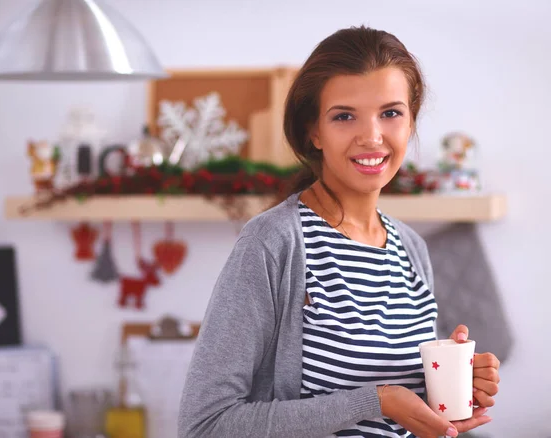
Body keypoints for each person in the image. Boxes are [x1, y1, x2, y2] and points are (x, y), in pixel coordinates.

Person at [178, 25, 500, 438]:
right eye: (344, 116)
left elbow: (413, 416)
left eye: (391, 112)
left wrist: (458, 387)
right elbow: (204, 425)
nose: (371, 136)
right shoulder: (273, 243)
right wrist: (375, 400)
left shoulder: (411, 249)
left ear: (411, 120)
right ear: (314, 131)